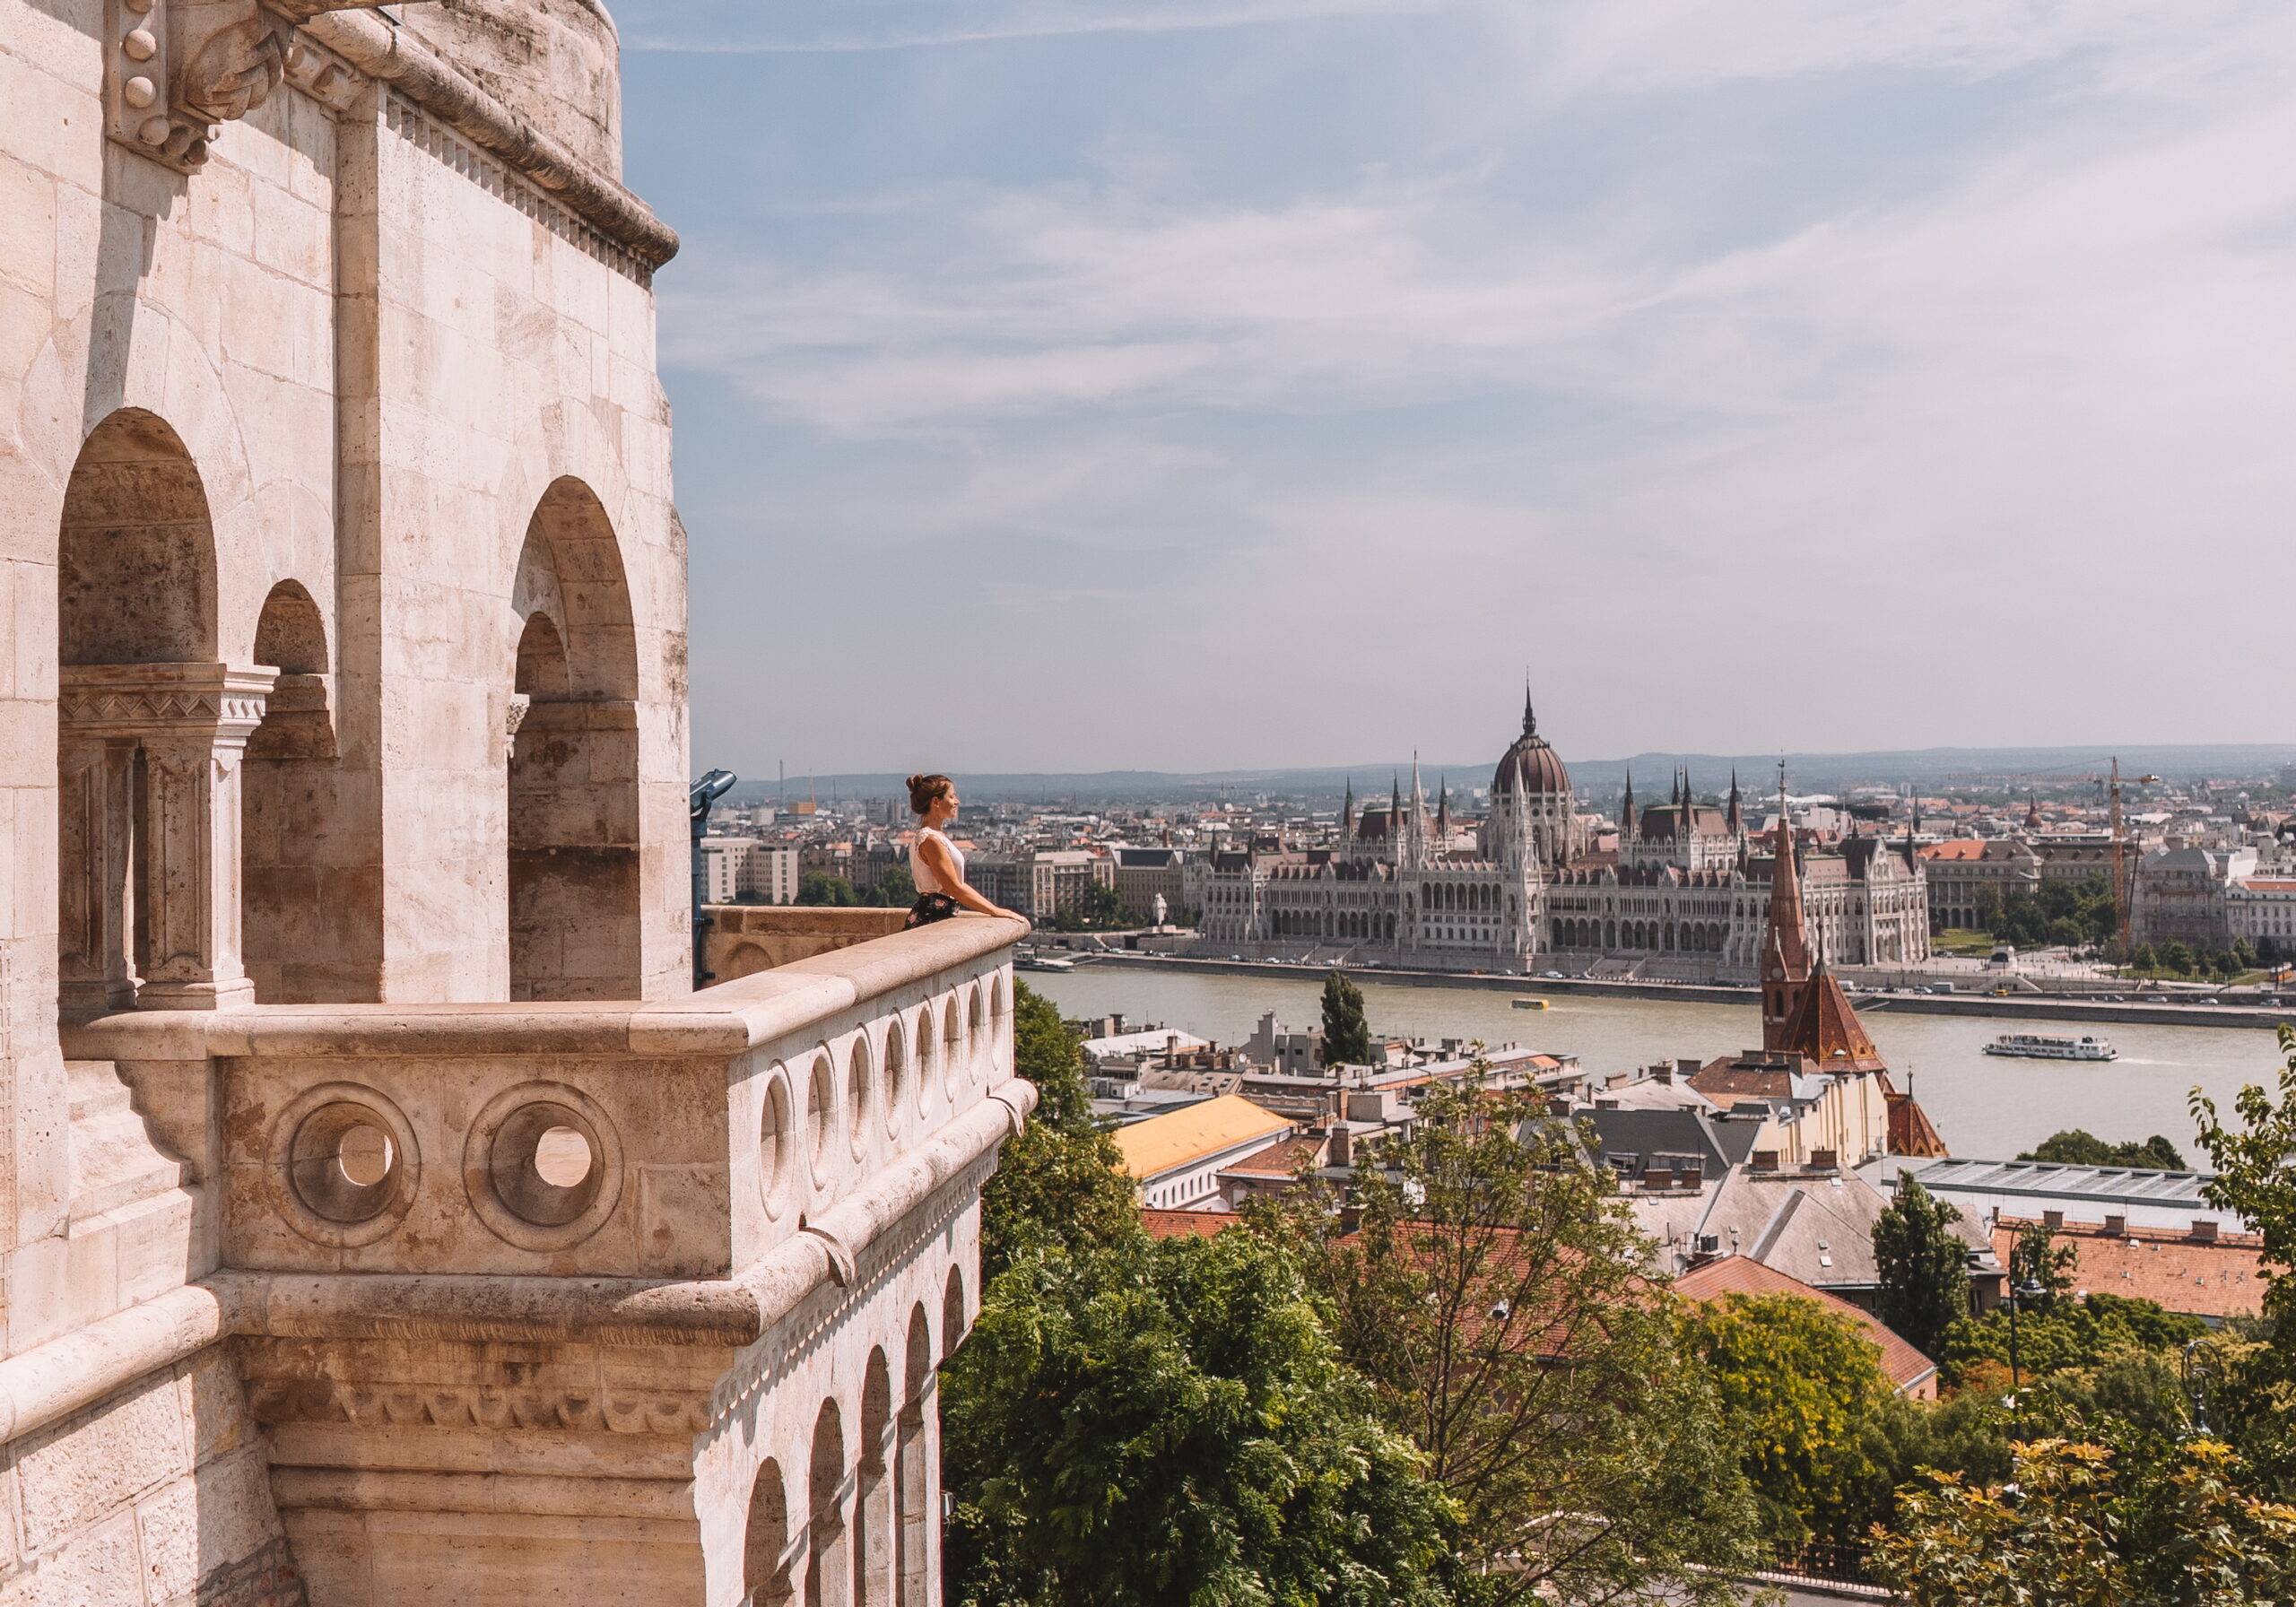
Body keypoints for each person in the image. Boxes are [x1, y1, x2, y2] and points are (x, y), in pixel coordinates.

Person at [904, 773, 1023, 928]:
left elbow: (954, 885)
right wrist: (995, 910)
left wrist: (994, 910)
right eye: (952, 797)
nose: (957, 802)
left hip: (930, 913)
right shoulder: (931, 840)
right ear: (936, 802)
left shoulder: (926, 837)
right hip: (933, 916)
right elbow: (954, 887)